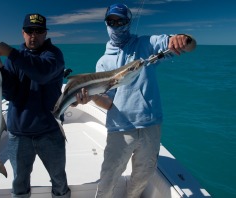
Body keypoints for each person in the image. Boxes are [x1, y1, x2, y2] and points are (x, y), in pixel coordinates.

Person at [74, 3, 196, 198]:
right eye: (111, 21)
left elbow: (189, 45)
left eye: (120, 21)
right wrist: (91, 97)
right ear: (106, 24)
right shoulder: (103, 62)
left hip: (150, 127)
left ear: (128, 23)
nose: (116, 25)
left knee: (142, 177)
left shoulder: (146, 45)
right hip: (119, 129)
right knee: (108, 178)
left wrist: (183, 39)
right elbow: (108, 102)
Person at [0, 13, 71, 198]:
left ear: (45, 34)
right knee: (19, 183)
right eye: (30, 31)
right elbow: (10, 93)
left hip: (50, 130)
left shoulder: (54, 55)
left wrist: (10, 53)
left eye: (38, 31)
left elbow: (42, 73)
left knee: (59, 180)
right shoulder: (14, 59)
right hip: (19, 133)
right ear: (23, 33)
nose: (33, 35)